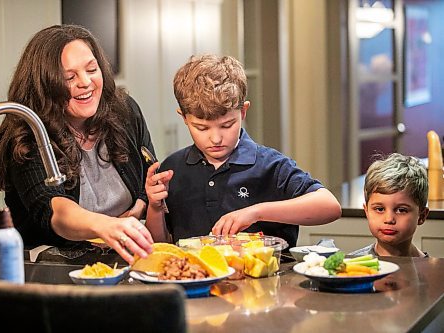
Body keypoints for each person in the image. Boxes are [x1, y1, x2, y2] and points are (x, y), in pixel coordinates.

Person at [0, 25, 153, 264]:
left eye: (92, 69)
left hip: (121, 261)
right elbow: (57, 212)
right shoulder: (28, 136)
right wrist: (107, 225)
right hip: (54, 267)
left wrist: (141, 205)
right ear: (44, 85)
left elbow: (149, 172)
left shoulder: (124, 111)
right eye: (69, 77)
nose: (86, 82)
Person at [144, 54, 342, 246]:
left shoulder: (270, 165)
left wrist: (256, 212)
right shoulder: (173, 168)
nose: (216, 138)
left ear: (243, 111)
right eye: (202, 128)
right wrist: (155, 207)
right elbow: (160, 245)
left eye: (227, 125)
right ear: (184, 118)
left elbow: (329, 207)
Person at [349, 153, 429, 257]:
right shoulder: (350, 268)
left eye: (401, 210)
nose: (389, 219)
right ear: (367, 211)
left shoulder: (432, 270)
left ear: (421, 215)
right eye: (380, 209)